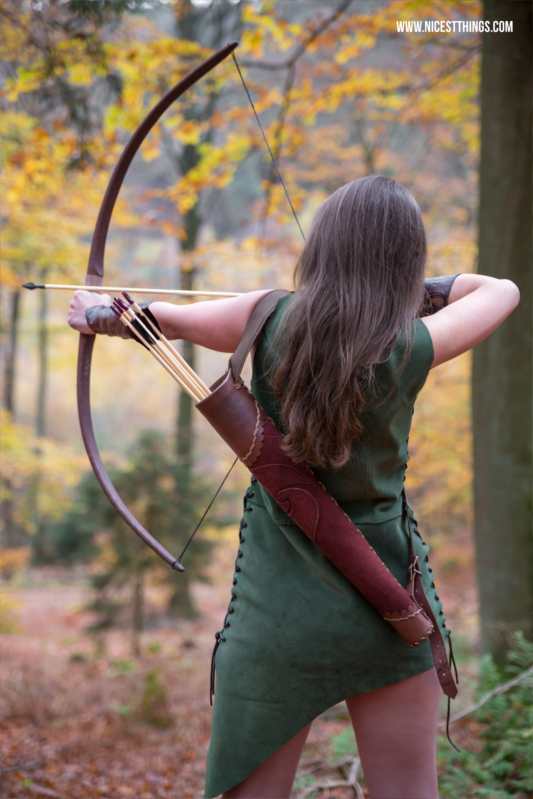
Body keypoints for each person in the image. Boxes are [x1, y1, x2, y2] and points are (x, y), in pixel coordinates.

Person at [69, 176, 519, 799]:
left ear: (322, 248)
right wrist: (406, 293)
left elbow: (156, 319)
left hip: (275, 614)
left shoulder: (265, 316)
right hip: (388, 604)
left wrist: (95, 314)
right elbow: (501, 289)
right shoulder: (413, 344)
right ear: (406, 259)